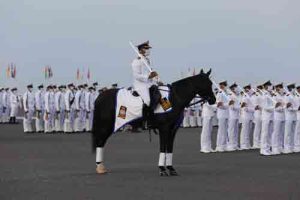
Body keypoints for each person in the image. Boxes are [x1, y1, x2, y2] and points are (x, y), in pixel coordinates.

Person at [131, 41, 158, 126]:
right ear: (140, 50)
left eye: (148, 48)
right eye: (146, 48)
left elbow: (151, 73)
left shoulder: (147, 60)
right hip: (140, 85)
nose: (148, 50)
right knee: (147, 100)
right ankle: (143, 121)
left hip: (149, 84)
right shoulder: (136, 61)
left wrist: (157, 80)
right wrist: (148, 77)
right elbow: (136, 76)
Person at [260, 81, 274, 156]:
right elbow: (265, 107)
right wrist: (275, 107)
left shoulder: (269, 95)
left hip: (271, 116)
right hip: (266, 117)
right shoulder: (264, 95)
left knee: (269, 133)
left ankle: (268, 148)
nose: (271, 87)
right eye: (269, 85)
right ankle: (263, 149)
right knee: (265, 133)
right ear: (265, 86)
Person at [271, 83, 285, 155]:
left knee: (281, 133)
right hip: (276, 116)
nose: (281, 89)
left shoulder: (282, 96)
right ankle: (274, 147)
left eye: (281, 87)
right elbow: (275, 108)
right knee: (276, 133)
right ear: (276, 88)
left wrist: (282, 107)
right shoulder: (274, 96)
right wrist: (283, 108)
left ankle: (280, 147)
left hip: (282, 117)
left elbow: (283, 105)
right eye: (279, 87)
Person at [216, 81, 230, 152]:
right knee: (221, 130)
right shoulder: (220, 93)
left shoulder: (226, 93)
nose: (224, 86)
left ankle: (224, 145)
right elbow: (219, 105)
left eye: (225, 85)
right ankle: (219, 146)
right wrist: (228, 104)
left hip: (226, 114)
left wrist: (227, 104)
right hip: (221, 114)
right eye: (223, 85)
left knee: (225, 131)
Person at [283, 83, 297, 154]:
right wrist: (296, 108)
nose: (295, 89)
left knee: (293, 132)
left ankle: (292, 146)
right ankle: (286, 147)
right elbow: (287, 107)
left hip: (294, 116)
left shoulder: (294, 95)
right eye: (293, 88)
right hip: (289, 116)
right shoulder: (287, 96)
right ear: (291, 88)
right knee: (288, 132)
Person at [240, 85, 254, 150]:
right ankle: (243, 144)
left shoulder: (250, 97)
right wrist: (253, 109)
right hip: (245, 116)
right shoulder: (245, 97)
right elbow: (244, 108)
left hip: (250, 116)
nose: (250, 90)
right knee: (245, 130)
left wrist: (252, 109)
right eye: (249, 89)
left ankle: (247, 144)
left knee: (249, 131)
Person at [227, 83, 240, 151]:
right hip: (232, 115)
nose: (237, 88)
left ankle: (235, 144)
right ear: (232, 88)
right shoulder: (230, 96)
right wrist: (240, 107)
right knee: (231, 130)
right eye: (235, 87)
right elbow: (232, 107)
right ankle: (230, 145)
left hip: (236, 115)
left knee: (236, 130)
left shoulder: (236, 95)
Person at [294, 86, 300, 152]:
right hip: (297, 115)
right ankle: (296, 146)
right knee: (297, 131)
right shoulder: (295, 96)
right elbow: (295, 106)